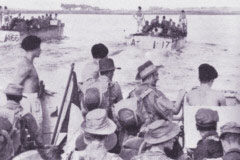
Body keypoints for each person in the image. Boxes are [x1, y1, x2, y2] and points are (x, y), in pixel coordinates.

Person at [129, 60, 186, 128]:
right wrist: (181, 94)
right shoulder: (156, 94)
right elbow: (175, 110)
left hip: (140, 132)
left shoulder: (133, 93)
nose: (158, 78)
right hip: (155, 134)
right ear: (150, 76)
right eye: (156, 75)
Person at [13, 36, 43, 136]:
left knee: (34, 132)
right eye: (39, 47)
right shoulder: (25, 64)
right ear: (33, 48)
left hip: (32, 100)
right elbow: (15, 86)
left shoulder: (28, 63)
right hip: (29, 102)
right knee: (34, 132)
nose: (40, 50)